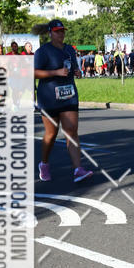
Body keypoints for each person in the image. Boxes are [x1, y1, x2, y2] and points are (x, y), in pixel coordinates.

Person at [34, 19, 93, 183]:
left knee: (71, 130)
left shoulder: (69, 49)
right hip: (49, 98)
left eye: (63, 31)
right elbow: (34, 73)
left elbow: (73, 67)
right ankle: (44, 164)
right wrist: (55, 72)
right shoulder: (43, 51)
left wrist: (77, 72)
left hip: (69, 95)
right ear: (50, 33)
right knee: (51, 134)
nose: (61, 33)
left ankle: (78, 169)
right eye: (57, 31)